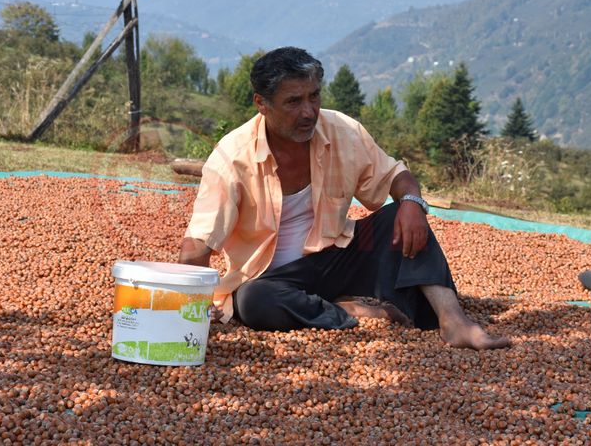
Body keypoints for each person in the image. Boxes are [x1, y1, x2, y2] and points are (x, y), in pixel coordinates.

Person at [179, 47, 509, 350]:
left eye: (314, 96)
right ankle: (343, 310)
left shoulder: (342, 131)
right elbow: (198, 245)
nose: (308, 112)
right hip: (273, 278)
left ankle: (454, 322)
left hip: (337, 256)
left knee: (400, 215)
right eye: (294, 102)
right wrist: (182, 317)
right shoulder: (232, 158)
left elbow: (396, 175)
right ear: (261, 104)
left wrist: (412, 203)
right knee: (252, 301)